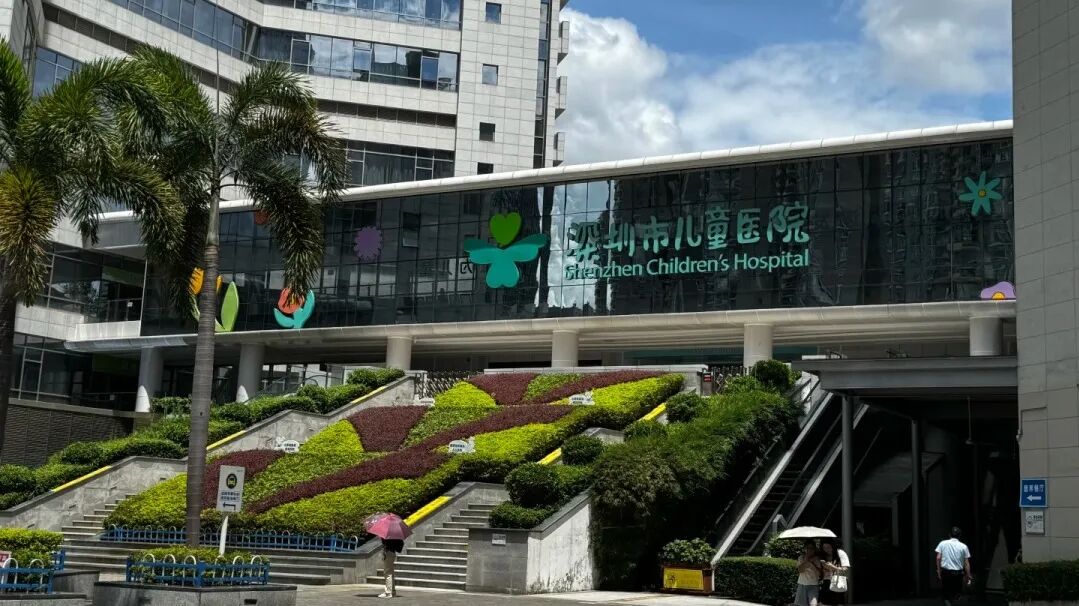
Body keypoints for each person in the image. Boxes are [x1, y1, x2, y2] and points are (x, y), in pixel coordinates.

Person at [935, 526, 972, 606]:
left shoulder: (942, 543)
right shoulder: (964, 546)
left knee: (946, 595)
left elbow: (938, 558)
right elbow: (966, 563)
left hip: (946, 573)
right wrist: (968, 575)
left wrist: (939, 571)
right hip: (958, 574)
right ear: (959, 536)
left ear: (949, 535)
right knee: (957, 594)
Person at [819, 537, 850, 604]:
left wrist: (832, 567)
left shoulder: (840, 553)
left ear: (833, 546)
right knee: (825, 603)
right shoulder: (823, 555)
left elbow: (845, 569)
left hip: (839, 582)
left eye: (828, 547)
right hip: (826, 582)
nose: (826, 550)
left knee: (839, 603)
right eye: (824, 547)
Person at [795, 541, 823, 606]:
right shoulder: (801, 558)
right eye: (807, 548)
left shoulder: (817, 559)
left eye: (812, 548)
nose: (809, 550)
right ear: (805, 549)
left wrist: (812, 564)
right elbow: (800, 570)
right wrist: (807, 561)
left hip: (813, 585)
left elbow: (819, 574)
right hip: (802, 584)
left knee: (813, 604)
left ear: (814, 549)